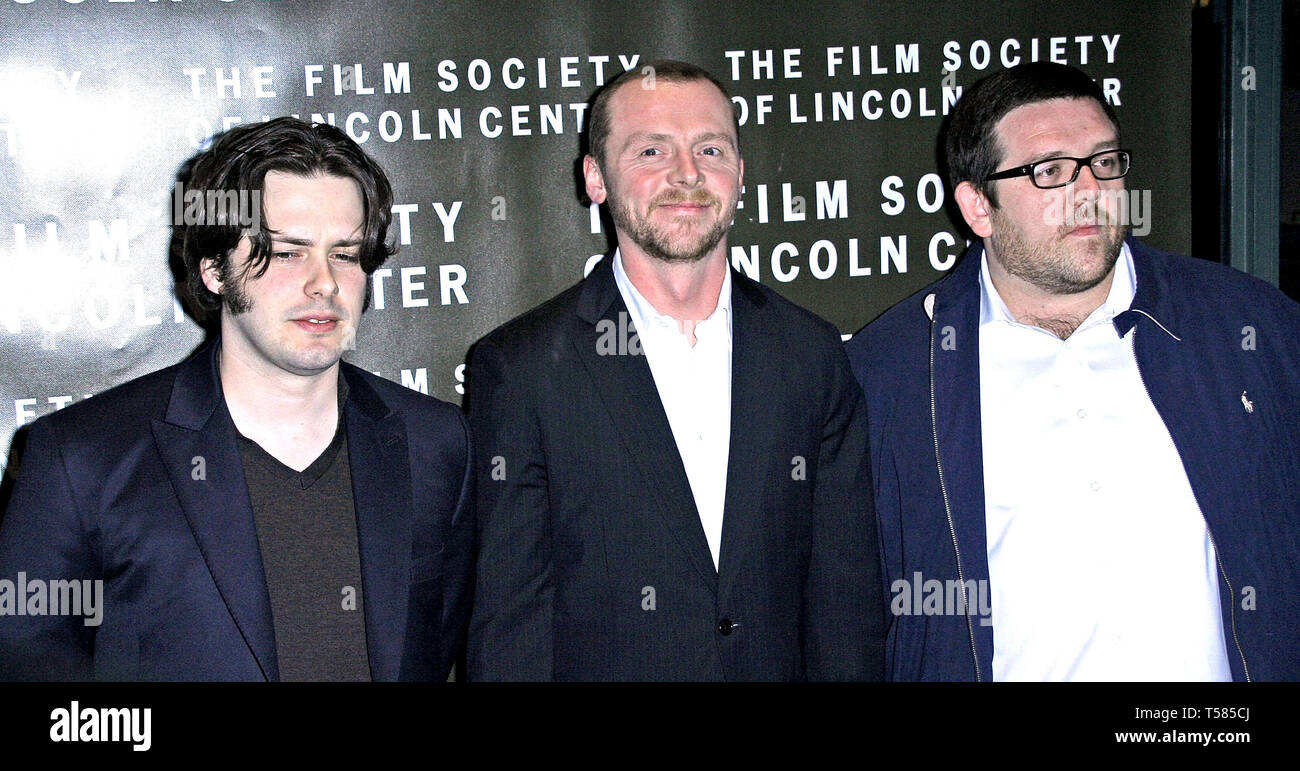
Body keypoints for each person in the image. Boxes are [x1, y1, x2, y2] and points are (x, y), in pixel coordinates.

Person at [846, 62, 1300, 681]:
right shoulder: (892, 375)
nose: (1089, 192)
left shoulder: (1250, 330)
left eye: (1104, 162)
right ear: (978, 206)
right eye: (1049, 171)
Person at [0, 117, 474, 681]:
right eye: (288, 253)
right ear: (214, 270)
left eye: (345, 254)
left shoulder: (437, 444)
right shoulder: (80, 461)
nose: (324, 282)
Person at [467, 60, 883, 681]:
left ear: (740, 175)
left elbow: (846, 605)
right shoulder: (521, 371)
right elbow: (510, 627)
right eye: (651, 150)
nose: (687, 174)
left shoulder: (811, 354)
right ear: (596, 177)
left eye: (710, 149)